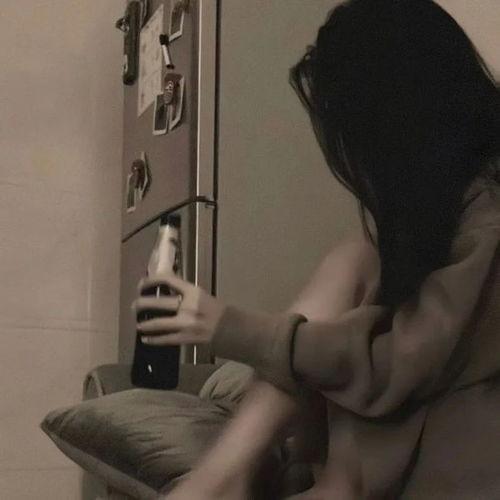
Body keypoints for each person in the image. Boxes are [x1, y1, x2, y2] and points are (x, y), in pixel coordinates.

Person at [133, 0, 500, 498]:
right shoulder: (442, 209)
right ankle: (228, 477)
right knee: (356, 258)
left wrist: (229, 327)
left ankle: (231, 481)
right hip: (372, 446)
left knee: (357, 264)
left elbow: (400, 364)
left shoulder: (488, 215)